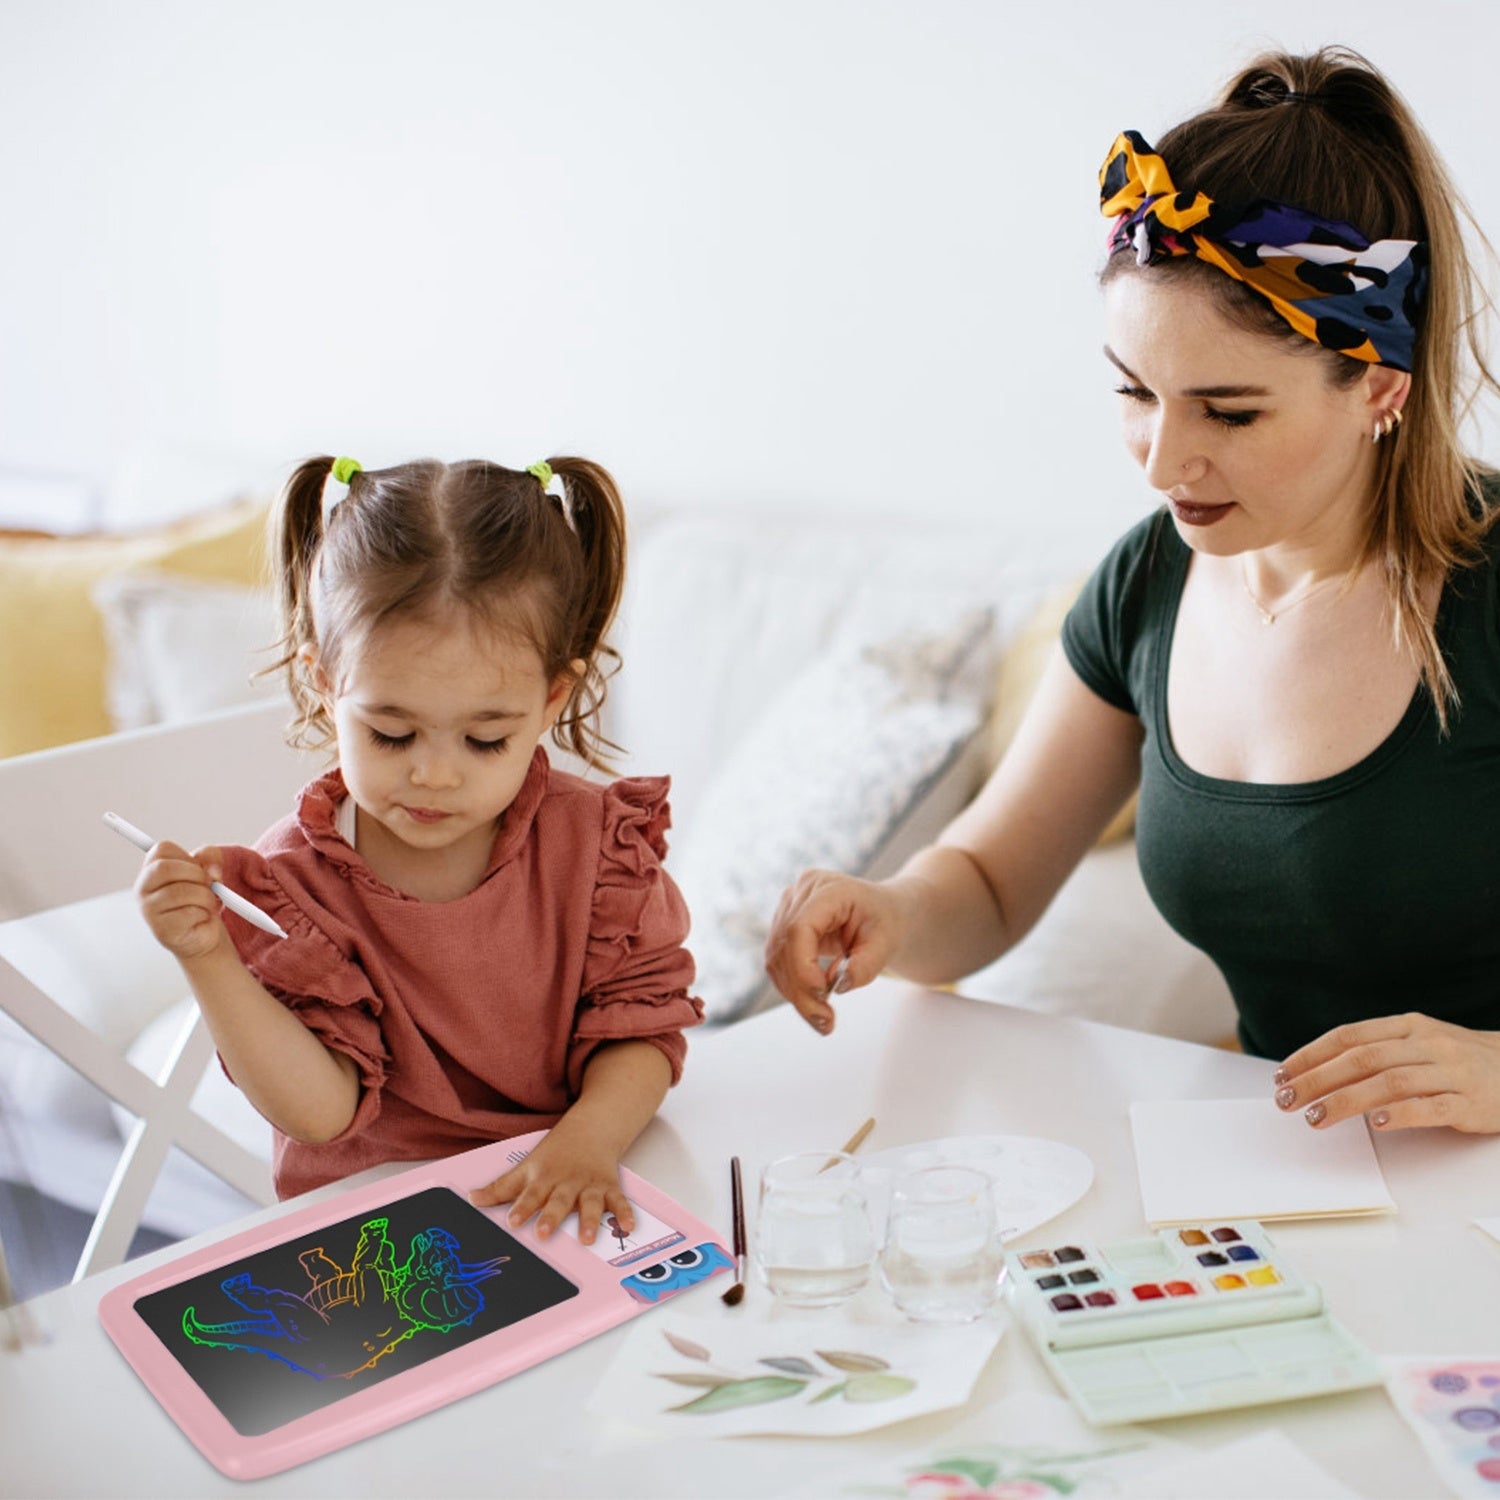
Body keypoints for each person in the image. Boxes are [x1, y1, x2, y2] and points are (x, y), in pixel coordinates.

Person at [764, 46, 1500, 1135]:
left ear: (1380, 385)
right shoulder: (1146, 581)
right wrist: (893, 911)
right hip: (1295, 1173)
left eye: (1230, 413)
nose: (1161, 463)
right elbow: (994, 882)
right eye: (1135, 391)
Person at [134, 453, 703, 1242]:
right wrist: (207, 960)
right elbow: (321, 1116)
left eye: (484, 739)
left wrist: (586, 1140)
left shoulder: (600, 851)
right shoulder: (291, 886)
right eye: (391, 734)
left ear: (550, 701)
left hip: (563, 1189)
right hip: (376, 1229)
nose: (433, 776)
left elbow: (639, 1025)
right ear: (325, 681)